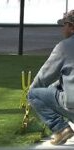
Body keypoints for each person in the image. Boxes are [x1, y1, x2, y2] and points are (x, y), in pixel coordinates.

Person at [28, 10, 74, 145]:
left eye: (64, 25)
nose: (62, 28)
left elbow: (44, 77)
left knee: (34, 94)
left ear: (71, 27)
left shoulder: (64, 47)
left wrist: (29, 97)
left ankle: (61, 129)